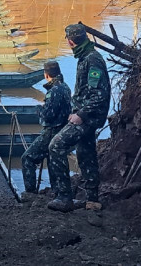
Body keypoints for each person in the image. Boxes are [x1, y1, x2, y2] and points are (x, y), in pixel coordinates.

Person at [48, 24, 110, 213]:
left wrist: (80, 115)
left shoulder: (92, 60)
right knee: (86, 153)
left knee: (56, 145)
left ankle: (64, 197)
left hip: (89, 116)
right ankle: (92, 199)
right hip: (85, 114)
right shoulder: (86, 57)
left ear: (71, 41)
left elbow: (98, 95)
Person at [21, 61, 72, 199]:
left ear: (46, 75)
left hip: (52, 130)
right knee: (53, 160)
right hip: (63, 129)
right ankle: (57, 191)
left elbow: (48, 116)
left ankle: (30, 193)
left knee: (28, 158)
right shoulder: (65, 87)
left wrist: (39, 110)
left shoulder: (54, 90)